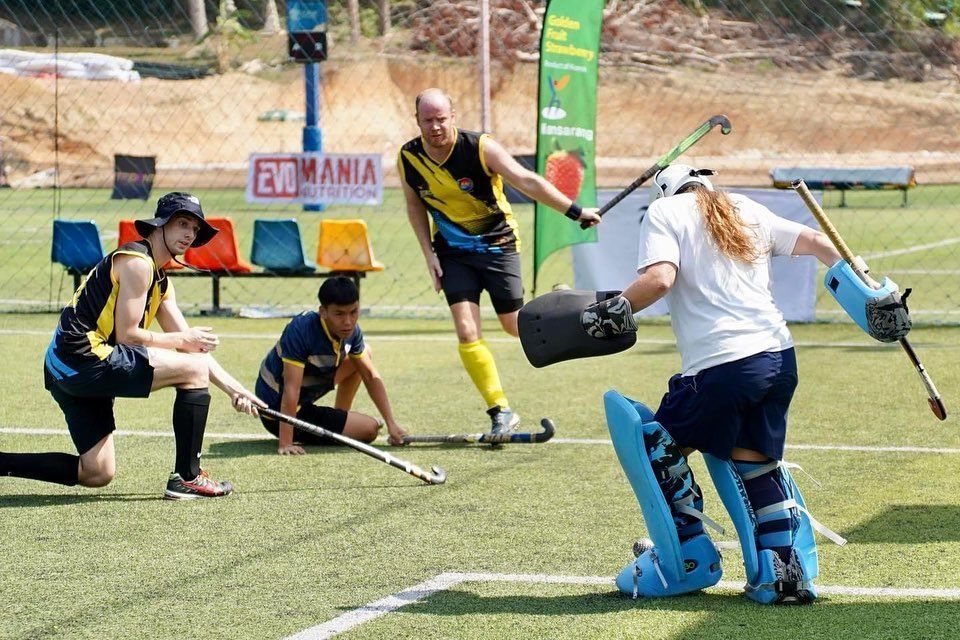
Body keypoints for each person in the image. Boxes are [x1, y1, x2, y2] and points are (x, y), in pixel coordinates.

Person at [594, 164, 851, 603]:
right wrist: (863, 282)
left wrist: (609, 312)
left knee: (655, 448)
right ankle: (782, 573)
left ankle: (686, 560)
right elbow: (818, 242)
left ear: (665, 192)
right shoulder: (744, 207)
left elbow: (659, 279)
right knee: (755, 463)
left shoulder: (664, 212)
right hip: (778, 360)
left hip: (722, 367)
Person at [0, 192, 265, 500]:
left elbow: (194, 351)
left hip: (65, 366)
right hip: (82, 360)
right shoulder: (137, 263)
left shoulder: (161, 281)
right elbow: (129, 335)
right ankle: (187, 477)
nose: (190, 234)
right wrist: (183, 340)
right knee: (191, 369)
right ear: (159, 226)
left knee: (97, 472)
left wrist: (236, 390)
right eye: (182, 224)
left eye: (194, 228)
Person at [398, 87, 602, 434]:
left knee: (514, 325)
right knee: (466, 329)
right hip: (452, 252)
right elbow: (414, 204)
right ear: (416, 120)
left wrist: (575, 211)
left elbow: (526, 180)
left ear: (454, 116)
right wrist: (429, 255)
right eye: (427, 120)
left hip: (497, 244)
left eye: (441, 119)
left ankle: (563, 304)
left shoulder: (480, 147)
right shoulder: (409, 157)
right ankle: (500, 410)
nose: (435, 127)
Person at [255, 277, 408, 454]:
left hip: (306, 392)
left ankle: (340, 416)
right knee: (370, 429)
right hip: (276, 411)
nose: (348, 321)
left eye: (353, 312)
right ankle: (339, 426)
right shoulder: (301, 330)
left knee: (364, 354)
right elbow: (291, 389)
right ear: (323, 312)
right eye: (339, 314)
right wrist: (286, 443)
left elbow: (370, 376)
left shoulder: (352, 331)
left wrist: (391, 423)